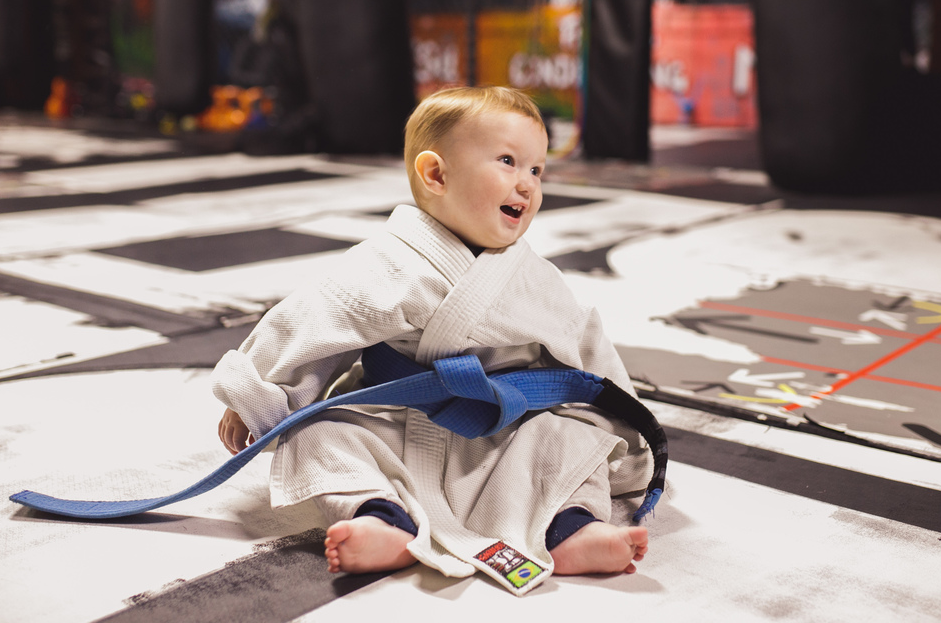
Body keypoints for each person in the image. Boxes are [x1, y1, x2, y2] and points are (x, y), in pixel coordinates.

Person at [212, 86, 652, 594]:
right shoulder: (384, 263)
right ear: (436, 174)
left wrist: (627, 426)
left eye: (537, 170)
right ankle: (380, 518)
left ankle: (572, 527)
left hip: (505, 428)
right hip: (396, 419)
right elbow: (313, 325)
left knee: (567, 440)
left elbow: (588, 355)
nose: (527, 185)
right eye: (508, 162)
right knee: (319, 434)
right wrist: (257, 394)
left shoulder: (535, 277)